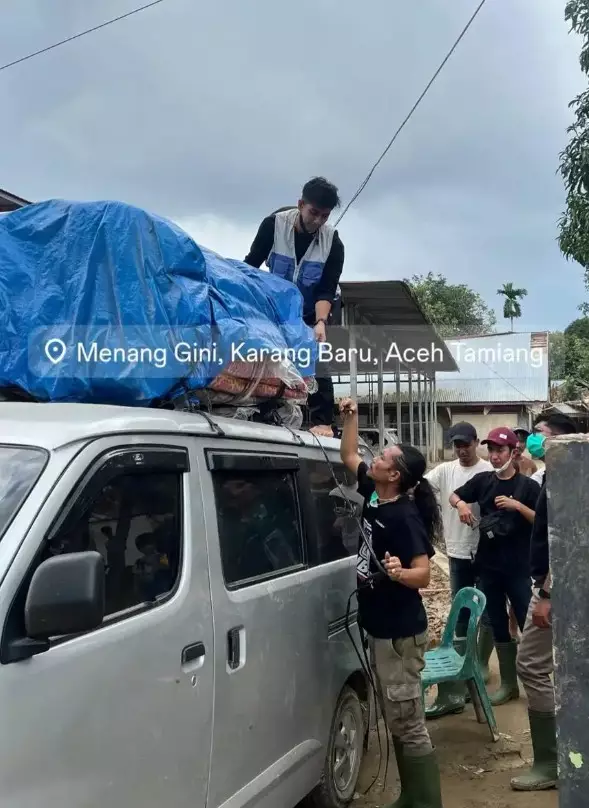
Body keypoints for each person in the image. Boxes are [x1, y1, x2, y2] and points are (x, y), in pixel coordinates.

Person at [339, 397, 444, 808]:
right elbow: (348, 453)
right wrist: (351, 417)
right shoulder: (376, 493)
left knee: (408, 721)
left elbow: (425, 575)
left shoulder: (404, 518)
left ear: (394, 474)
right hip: (382, 628)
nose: (375, 456)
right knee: (397, 717)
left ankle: (426, 802)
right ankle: (410, 796)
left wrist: (401, 573)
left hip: (401, 636)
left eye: (382, 455)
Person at [243, 178, 344, 436]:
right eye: (313, 213)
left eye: (325, 215)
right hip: (279, 304)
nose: (318, 220)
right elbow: (251, 265)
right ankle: (268, 410)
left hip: (316, 306)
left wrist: (320, 323)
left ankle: (322, 421)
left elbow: (327, 288)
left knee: (315, 353)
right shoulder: (273, 226)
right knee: (272, 351)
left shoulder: (332, 241)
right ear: (301, 205)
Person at [449, 427, 541, 706]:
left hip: (518, 567)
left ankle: (539, 684)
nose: (494, 456)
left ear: (513, 452)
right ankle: (509, 684)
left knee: (528, 621)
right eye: (491, 451)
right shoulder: (483, 481)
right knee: (498, 621)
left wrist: (517, 506)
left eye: (500, 451)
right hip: (489, 565)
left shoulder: (528, 487)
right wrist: (462, 505)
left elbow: (541, 521)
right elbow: (454, 495)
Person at [510, 415, 577, 792]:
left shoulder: (567, 480)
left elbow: (566, 540)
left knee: (532, 665)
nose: (534, 440)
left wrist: (547, 595)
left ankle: (551, 762)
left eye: (542, 435)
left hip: (557, 588)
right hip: (556, 585)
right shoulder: (555, 476)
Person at [423, 422, 494, 719]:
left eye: (466, 444)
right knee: (460, 611)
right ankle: (463, 663)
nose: (462, 449)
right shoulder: (444, 471)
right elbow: (421, 486)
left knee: (488, 610)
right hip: (456, 550)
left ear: (477, 442)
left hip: (488, 550)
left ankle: (480, 664)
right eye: (457, 445)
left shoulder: (489, 470)